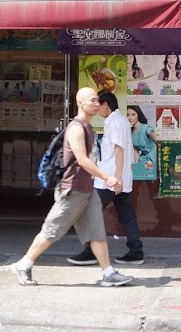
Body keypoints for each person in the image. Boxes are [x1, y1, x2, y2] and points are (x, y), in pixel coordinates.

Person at [9, 86, 134, 287]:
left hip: (87, 189)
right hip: (72, 189)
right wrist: (107, 177)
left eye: (97, 100)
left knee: (96, 231)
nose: (96, 104)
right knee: (53, 230)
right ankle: (24, 264)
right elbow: (82, 160)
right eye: (92, 100)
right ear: (80, 103)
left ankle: (108, 273)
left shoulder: (89, 128)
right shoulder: (76, 128)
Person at [68, 90, 144, 267]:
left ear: (105, 105)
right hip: (119, 178)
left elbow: (119, 149)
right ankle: (136, 252)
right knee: (127, 216)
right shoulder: (120, 121)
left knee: (90, 212)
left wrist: (116, 178)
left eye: (98, 104)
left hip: (111, 180)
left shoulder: (115, 122)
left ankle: (90, 252)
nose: (97, 108)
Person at [128, 105, 157, 184]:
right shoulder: (130, 131)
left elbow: (159, 142)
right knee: (137, 178)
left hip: (154, 155)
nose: (130, 118)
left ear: (138, 115)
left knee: (150, 182)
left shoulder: (146, 128)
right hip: (143, 157)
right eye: (128, 115)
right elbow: (136, 151)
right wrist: (136, 167)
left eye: (133, 114)